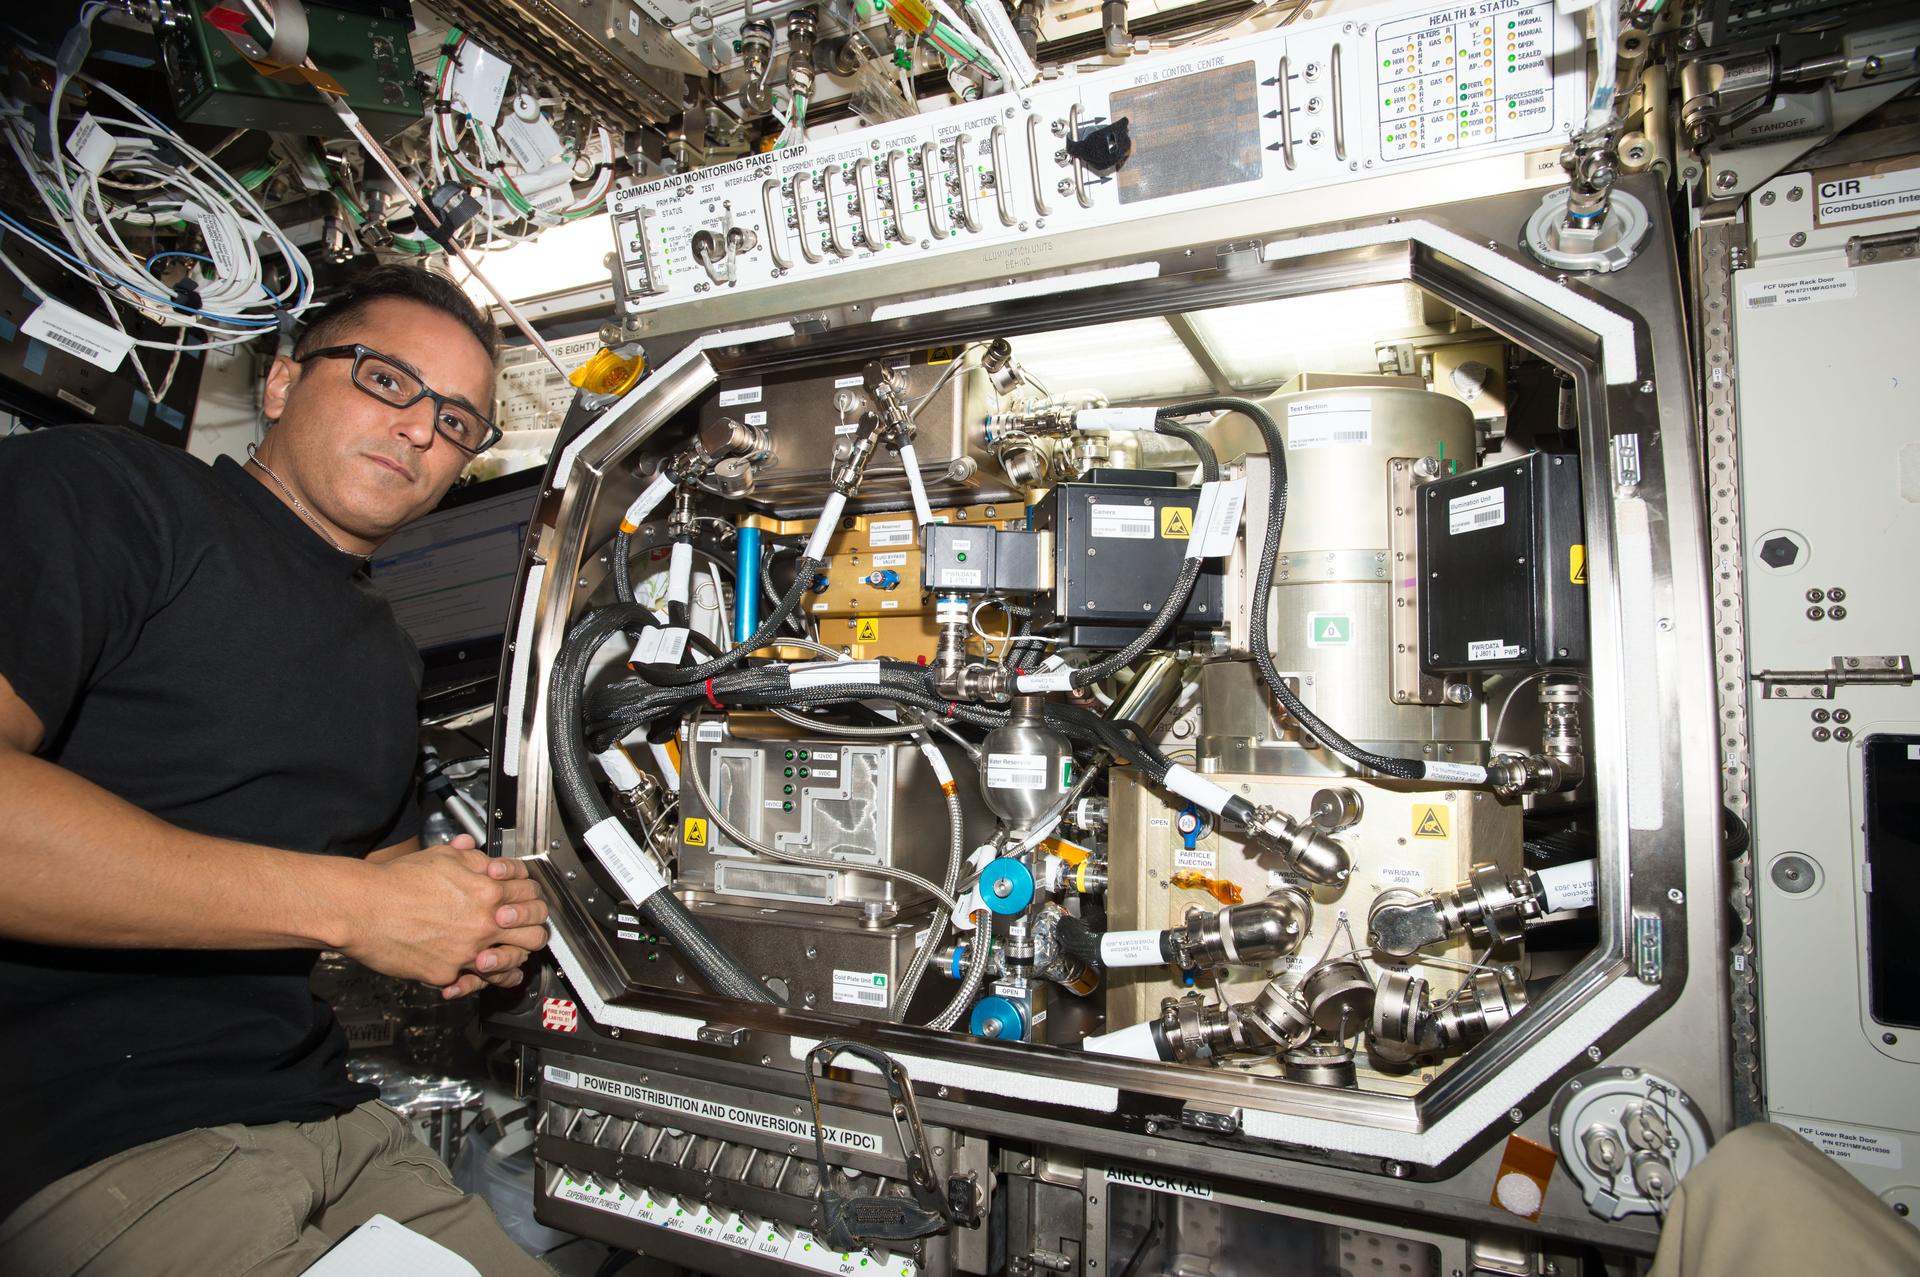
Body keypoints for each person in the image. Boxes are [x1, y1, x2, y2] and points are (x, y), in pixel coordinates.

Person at [0, 265, 556, 1275]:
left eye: (459, 421)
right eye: (387, 380)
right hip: (91, 1133)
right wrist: (353, 904)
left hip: (331, 1120)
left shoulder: (387, 655)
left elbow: (379, 894)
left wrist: (469, 928)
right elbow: (349, 901)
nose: (421, 429)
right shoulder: (106, 492)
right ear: (280, 380)